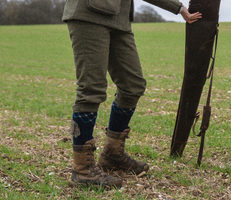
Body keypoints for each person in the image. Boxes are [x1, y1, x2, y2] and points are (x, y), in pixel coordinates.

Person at [62, 0, 202, 189]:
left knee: (133, 86)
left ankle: (112, 155)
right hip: (89, 14)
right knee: (91, 90)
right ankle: (82, 170)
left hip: (119, 20)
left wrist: (178, 8)